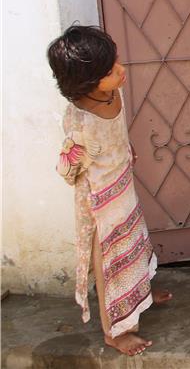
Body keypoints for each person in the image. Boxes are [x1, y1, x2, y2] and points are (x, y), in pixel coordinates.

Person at [47, 25, 172, 356]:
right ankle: (115, 331)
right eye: (111, 71)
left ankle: (141, 292)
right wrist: (75, 154)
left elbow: (115, 131)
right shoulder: (80, 123)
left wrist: (126, 149)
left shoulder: (113, 90)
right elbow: (67, 169)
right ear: (87, 83)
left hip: (122, 185)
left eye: (116, 62)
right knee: (111, 266)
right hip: (101, 204)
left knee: (136, 239)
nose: (121, 71)